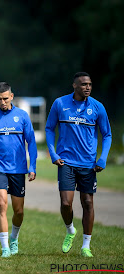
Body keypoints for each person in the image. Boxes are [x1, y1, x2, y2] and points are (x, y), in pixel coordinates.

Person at [45, 72, 112, 257]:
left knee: (88, 202)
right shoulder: (60, 104)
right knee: (66, 204)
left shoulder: (98, 107)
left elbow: (107, 134)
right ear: (74, 85)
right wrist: (53, 154)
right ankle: (70, 230)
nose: (87, 87)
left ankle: (86, 246)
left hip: (88, 164)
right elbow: (49, 129)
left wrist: (103, 158)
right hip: (65, 161)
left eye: (89, 84)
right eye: (83, 84)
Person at [0, 82, 37, 258]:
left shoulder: (22, 116)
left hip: (18, 168)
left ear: (11, 96)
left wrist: (32, 166)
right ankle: (5, 248)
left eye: (5, 98)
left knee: (18, 211)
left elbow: (31, 142)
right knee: (1, 203)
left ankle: (14, 238)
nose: (2, 102)